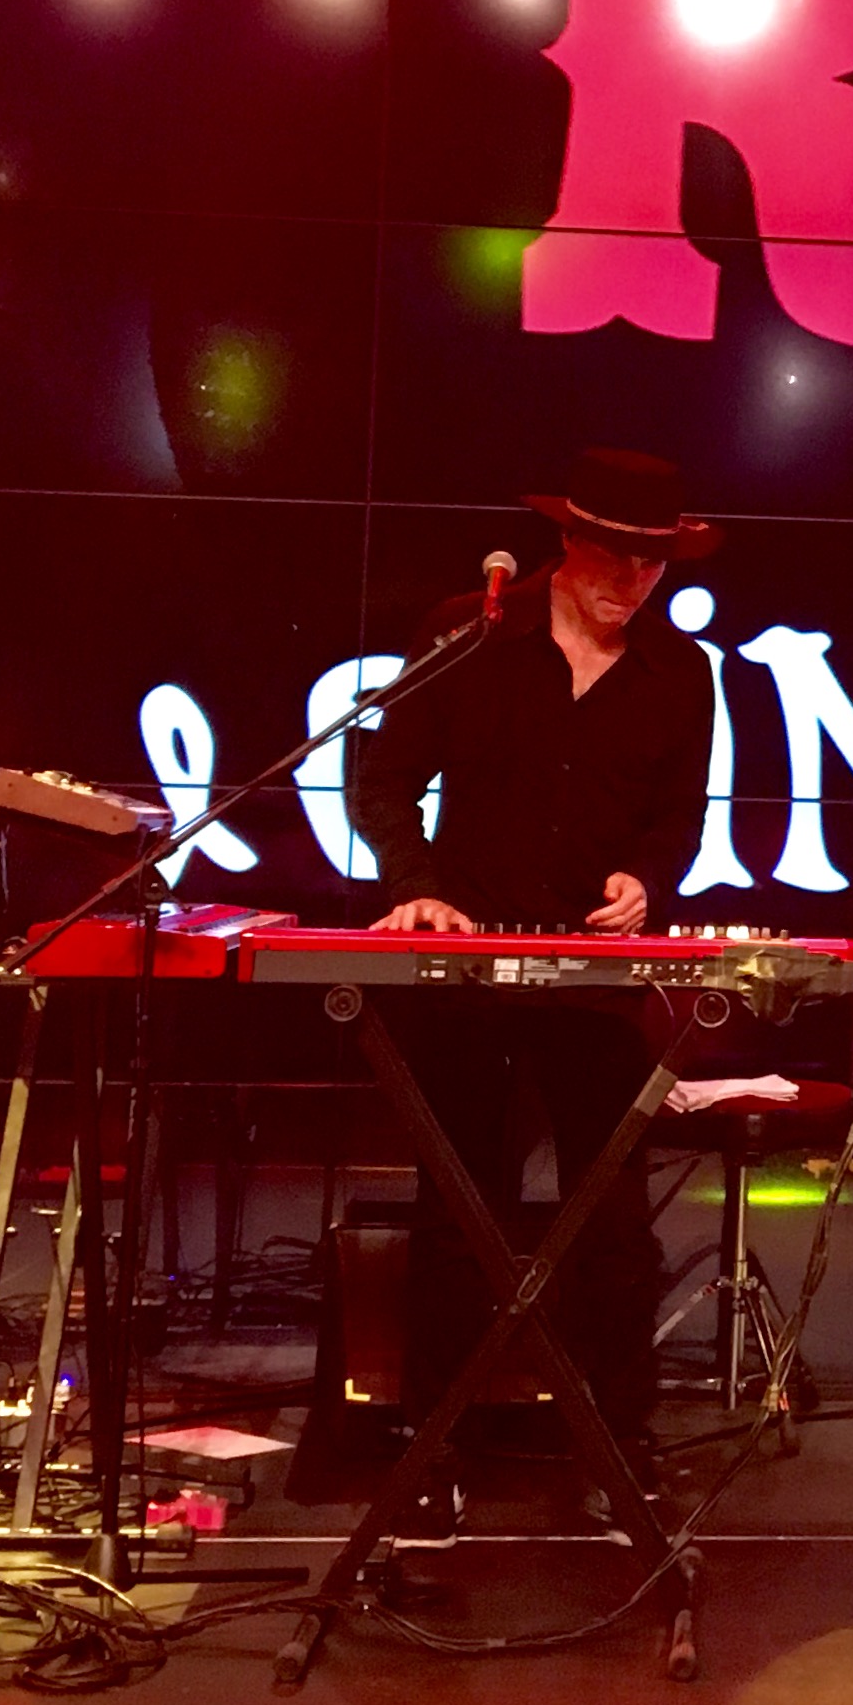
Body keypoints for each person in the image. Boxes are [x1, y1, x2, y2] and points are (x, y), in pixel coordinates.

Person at [346, 446, 718, 1487]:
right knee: (457, 1206)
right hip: (467, 958)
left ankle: (617, 1442)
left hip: (594, 972)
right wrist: (418, 886)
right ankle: (434, 1444)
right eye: (615, 557)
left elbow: (679, 821)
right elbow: (382, 782)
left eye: (653, 563)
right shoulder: (471, 631)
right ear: (567, 541)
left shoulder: (681, 671)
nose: (633, 581)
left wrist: (648, 880)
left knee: (613, 1214)